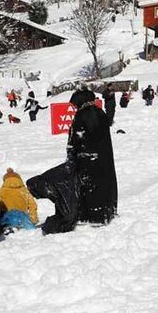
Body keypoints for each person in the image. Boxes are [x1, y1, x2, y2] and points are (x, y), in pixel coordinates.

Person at [27, 89, 117, 235]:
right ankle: (104, 214)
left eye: (75, 105)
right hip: (104, 160)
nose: (74, 108)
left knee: (88, 188)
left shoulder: (81, 116)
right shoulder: (100, 113)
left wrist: (71, 158)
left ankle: (89, 216)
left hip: (86, 161)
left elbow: (74, 141)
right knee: (103, 186)